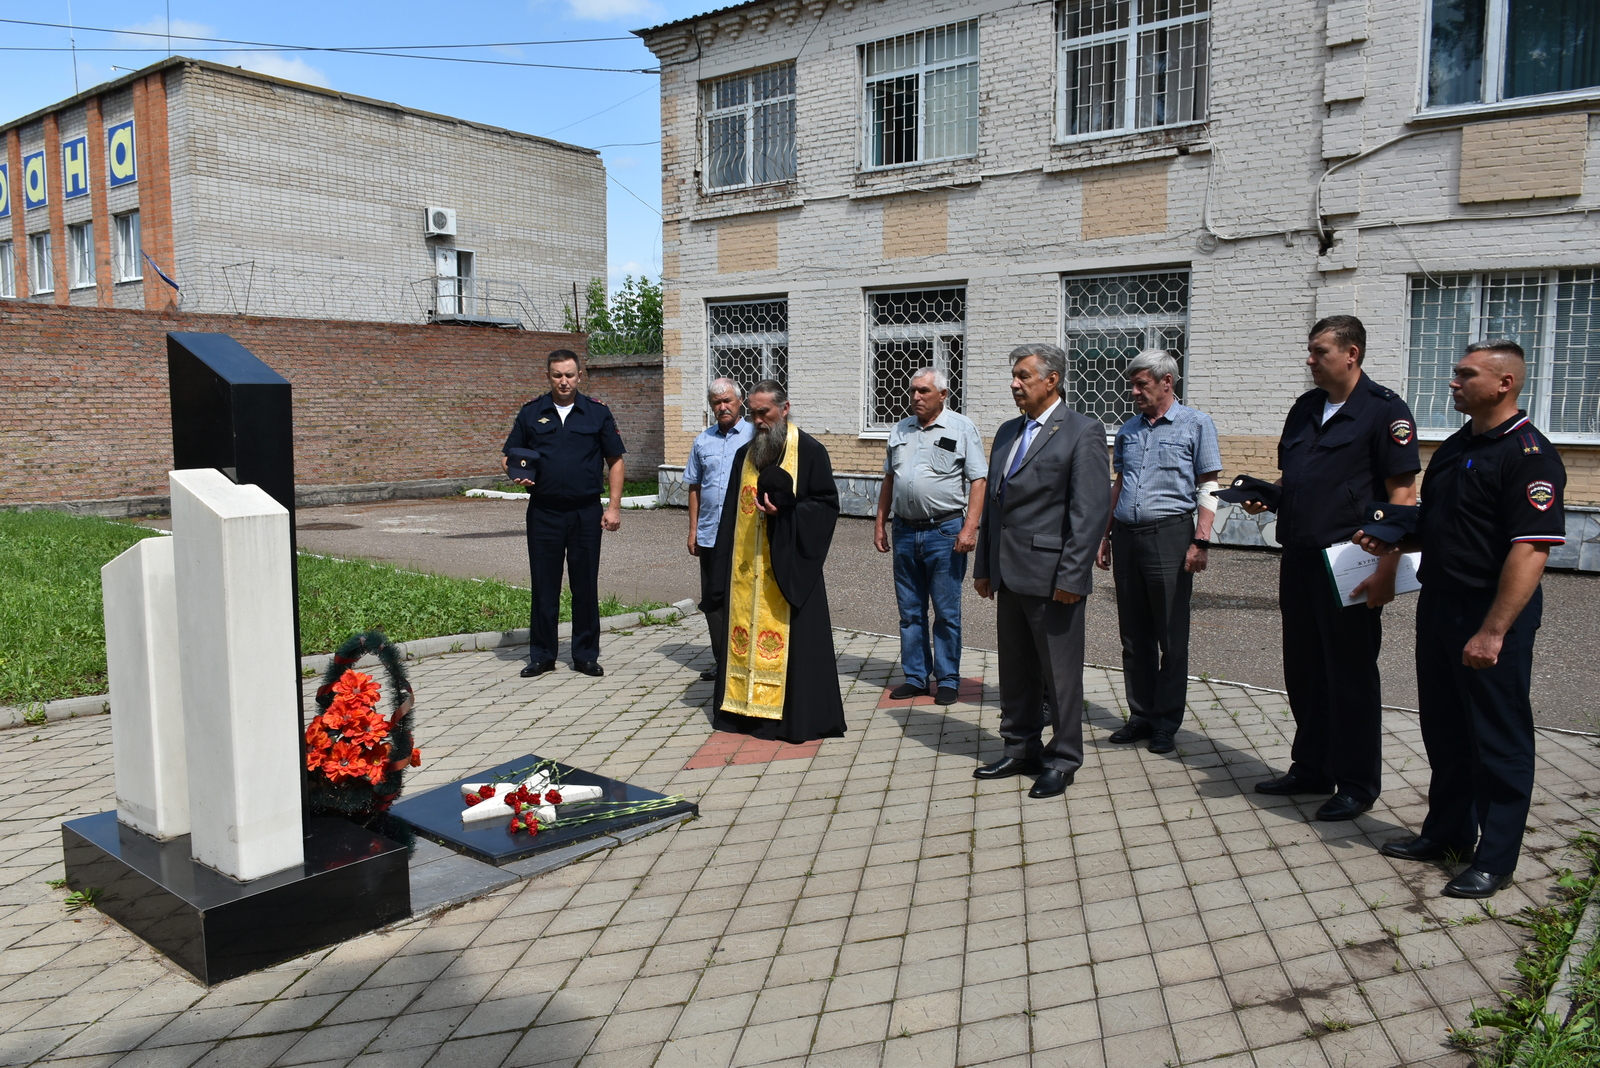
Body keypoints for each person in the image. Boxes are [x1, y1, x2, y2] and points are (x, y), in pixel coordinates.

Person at [1355, 340, 1566, 898]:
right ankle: (1447, 834)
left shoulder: (1530, 456)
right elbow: (1441, 524)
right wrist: (1391, 537)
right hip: (1441, 605)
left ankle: (1495, 859)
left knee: (1497, 738)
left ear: (1504, 384)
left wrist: (1493, 631)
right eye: (1456, 373)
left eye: (1466, 374)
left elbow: (1531, 549)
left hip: (1490, 612)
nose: (1454, 382)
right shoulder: (1455, 446)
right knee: (1445, 729)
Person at [1243, 316, 1420, 820]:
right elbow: (1299, 480)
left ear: (1351, 354)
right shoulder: (1306, 408)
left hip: (1351, 561)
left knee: (1350, 674)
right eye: (1310, 350)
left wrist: (1389, 567)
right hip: (1299, 557)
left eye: (1320, 351)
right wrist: (1269, 496)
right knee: (1304, 670)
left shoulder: (1384, 410)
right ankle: (1312, 768)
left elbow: (1403, 496)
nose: (1310, 360)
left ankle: (1357, 783)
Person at [973, 344, 1111, 799]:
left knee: (1060, 676)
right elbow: (995, 507)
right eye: (1013, 376)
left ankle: (1063, 758)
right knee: (1016, 670)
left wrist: (1073, 577)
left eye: (1023, 376)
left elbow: (1088, 513)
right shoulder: (1007, 431)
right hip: (1009, 573)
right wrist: (984, 566)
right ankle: (1020, 748)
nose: (1014, 383)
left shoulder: (1083, 431)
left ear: (1052, 380)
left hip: (1054, 578)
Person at [1095, 350, 1222, 755]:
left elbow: (1208, 485)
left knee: (1170, 634)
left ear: (1167, 382)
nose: (1133, 392)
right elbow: (1119, 483)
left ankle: (1166, 722)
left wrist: (1201, 540)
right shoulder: (1129, 429)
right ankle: (1141, 716)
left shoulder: (1196, 424)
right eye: (1132, 385)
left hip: (1169, 535)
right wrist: (1105, 534)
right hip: (1127, 536)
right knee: (1134, 635)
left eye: (1141, 385)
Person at [705, 380, 847, 743]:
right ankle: (743, 712)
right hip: (746, 572)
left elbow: (826, 506)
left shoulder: (810, 451)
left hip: (790, 569)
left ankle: (788, 719)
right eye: (753, 413)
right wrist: (720, 571)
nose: (758, 421)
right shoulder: (745, 454)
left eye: (764, 412)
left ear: (784, 409)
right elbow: (729, 515)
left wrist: (786, 511)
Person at [502, 349, 625, 679]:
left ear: (579, 376)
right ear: (548, 376)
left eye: (569, 374)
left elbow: (615, 460)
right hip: (544, 512)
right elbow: (509, 456)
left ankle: (585, 655)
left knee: (585, 586)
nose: (564, 381)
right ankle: (542, 656)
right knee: (544, 586)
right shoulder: (531, 412)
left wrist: (613, 507)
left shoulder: (597, 412)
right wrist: (516, 474)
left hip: (586, 512)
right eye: (557, 375)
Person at [873, 368, 987, 705]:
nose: (916, 397)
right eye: (913, 391)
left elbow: (978, 480)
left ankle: (948, 679)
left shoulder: (961, 428)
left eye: (923, 391)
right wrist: (880, 523)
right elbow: (889, 479)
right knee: (910, 611)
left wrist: (970, 528)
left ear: (943, 394)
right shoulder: (900, 429)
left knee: (946, 612)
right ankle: (916, 677)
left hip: (945, 532)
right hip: (905, 530)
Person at [684, 378, 754, 682]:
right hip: (710, 534)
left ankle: (748, 659)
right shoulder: (703, 441)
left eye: (727, 401)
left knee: (745, 599)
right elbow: (695, 487)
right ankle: (722, 661)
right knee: (714, 601)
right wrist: (693, 531)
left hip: (746, 535)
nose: (722, 406)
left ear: (740, 402)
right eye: (717, 402)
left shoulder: (755, 436)